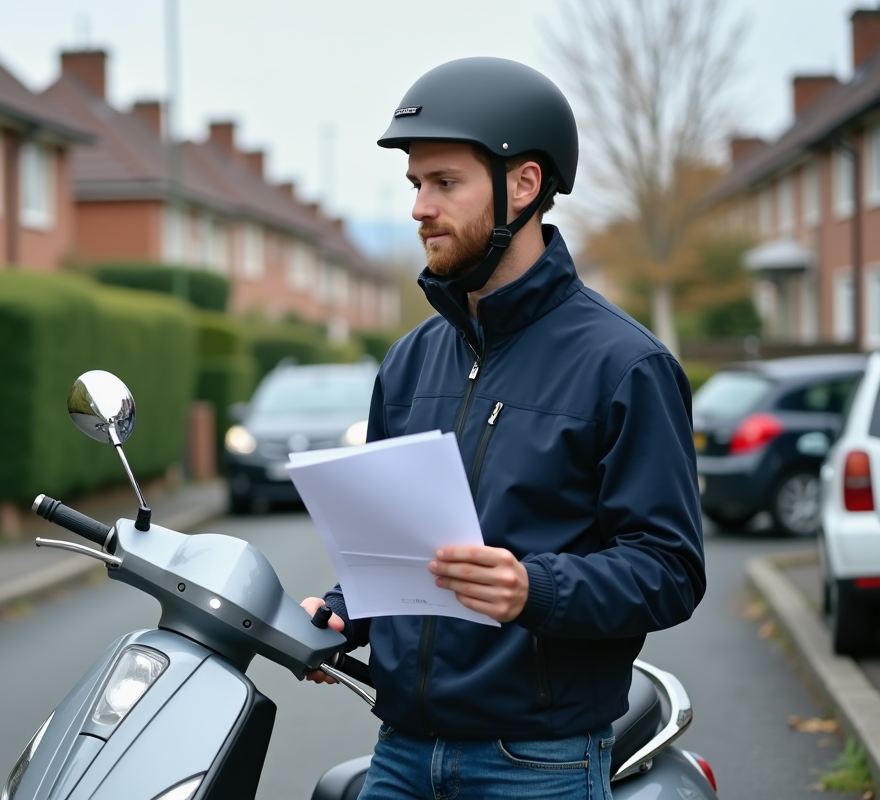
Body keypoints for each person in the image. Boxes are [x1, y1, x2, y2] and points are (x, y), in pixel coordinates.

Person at [300, 57, 705, 800]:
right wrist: (345, 605)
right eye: (416, 184)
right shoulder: (408, 362)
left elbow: (670, 571)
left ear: (524, 185)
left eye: (445, 183)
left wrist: (533, 588)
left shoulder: (625, 366)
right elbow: (400, 547)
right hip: (398, 755)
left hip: (537, 764)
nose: (421, 206)